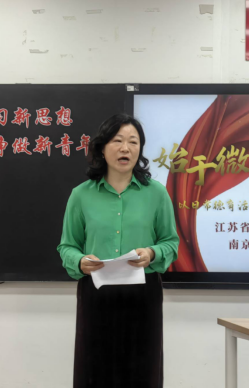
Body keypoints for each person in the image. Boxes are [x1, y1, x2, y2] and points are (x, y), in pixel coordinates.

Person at [57, 114, 179, 388]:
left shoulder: (156, 194)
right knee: (95, 371)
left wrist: (152, 253)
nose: (126, 148)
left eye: (133, 142)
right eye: (118, 141)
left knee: (142, 372)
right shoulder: (81, 195)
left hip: (143, 294)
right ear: (102, 148)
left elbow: (171, 243)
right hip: (96, 293)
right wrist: (79, 260)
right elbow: (67, 246)